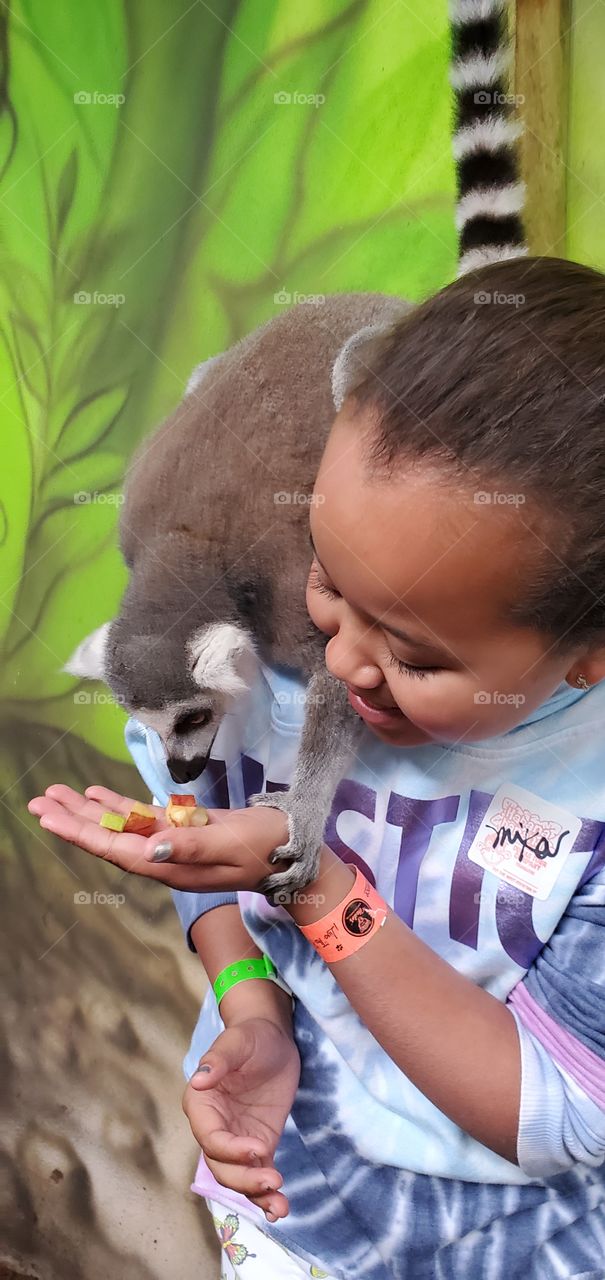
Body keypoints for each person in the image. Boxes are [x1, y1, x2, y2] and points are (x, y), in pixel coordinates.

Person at [29, 257, 605, 1279]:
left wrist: (312, 884)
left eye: (414, 655)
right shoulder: (257, 661)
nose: (339, 662)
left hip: (519, 1240)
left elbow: (564, 1115)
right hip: (284, 1191)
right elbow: (193, 806)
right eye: (326, 586)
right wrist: (249, 1002)